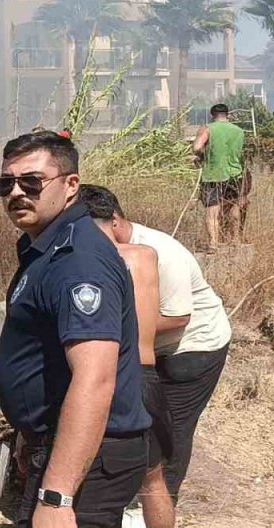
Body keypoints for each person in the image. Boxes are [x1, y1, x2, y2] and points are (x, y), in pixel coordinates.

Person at [0, 131, 149, 528]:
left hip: (91, 458)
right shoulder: (49, 246)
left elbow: (95, 377)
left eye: (31, 182)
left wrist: (58, 496)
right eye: (5, 184)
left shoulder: (78, 261)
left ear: (70, 185)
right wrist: (32, 433)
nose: (16, 192)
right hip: (65, 445)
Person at [70, 186, 231, 501]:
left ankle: (162, 500)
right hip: (151, 349)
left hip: (195, 347)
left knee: (172, 428)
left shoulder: (161, 253)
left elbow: (177, 317)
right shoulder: (105, 253)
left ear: (114, 221)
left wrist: (111, 330)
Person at [78, 185, 173, 528]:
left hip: (118, 378)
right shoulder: (145, 255)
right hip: (149, 375)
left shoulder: (93, 263)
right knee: (154, 480)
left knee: (98, 487)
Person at [191, 103, 246, 252]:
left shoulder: (208, 128)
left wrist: (202, 155)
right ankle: (235, 240)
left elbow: (196, 147)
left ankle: (213, 244)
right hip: (235, 173)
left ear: (212, 115)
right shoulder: (239, 131)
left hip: (213, 175)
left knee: (212, 210)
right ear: (227, 115)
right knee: (233, 207)